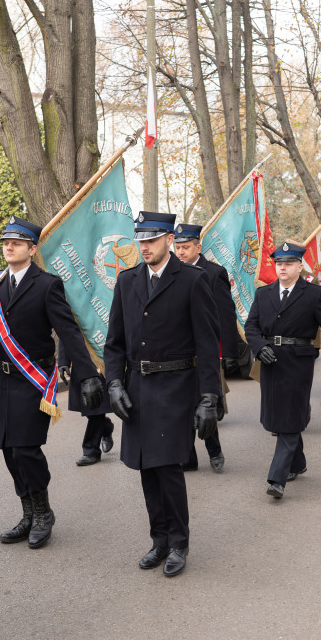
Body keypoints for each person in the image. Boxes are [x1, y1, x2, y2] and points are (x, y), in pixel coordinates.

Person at [0, 217, 103, 548]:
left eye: (17, 242)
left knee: (26, 448)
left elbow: (68, 331)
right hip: (2, 379)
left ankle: (43, 512)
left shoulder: (47, 284)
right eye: (5, 242)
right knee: (7, 449)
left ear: (32, 249)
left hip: (34, 381)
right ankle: (27, 512)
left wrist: (86, 374)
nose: (9, 246)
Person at [104, 211, 220, 577]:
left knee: (168, 468)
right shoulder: (127, 281)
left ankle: (179, 542)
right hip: (137, 389)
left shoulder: (191, 281)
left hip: (175, 388)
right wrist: (115, 383)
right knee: (145, 468)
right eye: (140, 240)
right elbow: (114, 342)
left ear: (169, 240)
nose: (144, 247)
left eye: (152, 240)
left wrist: (208, 398)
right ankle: (159, 539)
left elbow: (206, 343)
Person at [244, 241, 321, 499]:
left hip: (299, 362)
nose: (282, 268)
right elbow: (251, 326)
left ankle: (277, 478)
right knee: (277, 416)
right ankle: (298, 462)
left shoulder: (314, 293)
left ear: (299, 266)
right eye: (279, 264)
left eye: (288, 264)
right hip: (270, 361)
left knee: (291, 414)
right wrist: (260, 346)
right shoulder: (264, 294)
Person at [173, 223, 232, 472]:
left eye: (185, 247)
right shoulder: (171, 272)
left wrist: (227, 351)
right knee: (181, 405)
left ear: (198, 246)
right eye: (177, 247)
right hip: (177, 348)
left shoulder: (214, 273)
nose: (180, 252)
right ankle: (187, 455)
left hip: (204, 348)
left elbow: (225, 314)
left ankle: (214, 450)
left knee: (203, 402)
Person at [57, 342, 114, 467]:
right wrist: (63, 361)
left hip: (104, 358)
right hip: (82, 361)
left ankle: (91, 451)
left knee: (96, 409)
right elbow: (66, 331)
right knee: (90, 407)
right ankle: (106, 427)